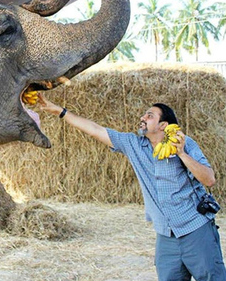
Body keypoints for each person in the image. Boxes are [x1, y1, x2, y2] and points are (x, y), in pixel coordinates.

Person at [37, 92, 226, 281]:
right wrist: (59, 111)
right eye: (144, 115)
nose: (143, 118)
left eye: (149, 116)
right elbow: (95, 129)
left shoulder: (186, 144)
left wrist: (182, 154)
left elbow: (209, 179)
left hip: (196, 230)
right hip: (165, 236)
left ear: (163, 126)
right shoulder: (133, 144)